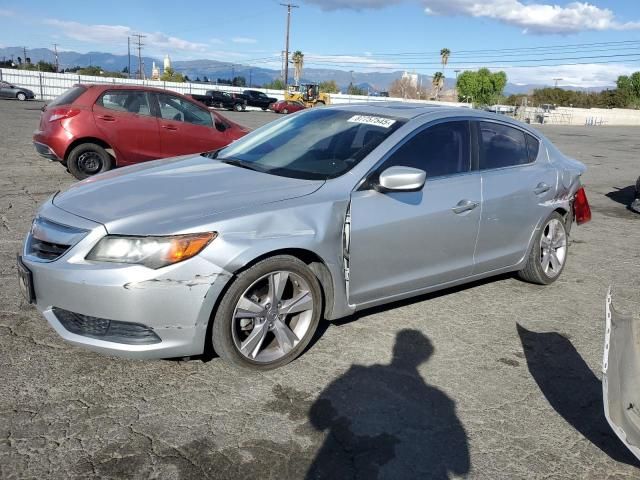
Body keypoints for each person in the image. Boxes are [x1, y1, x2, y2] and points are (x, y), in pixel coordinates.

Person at [306, 329, 470, 479]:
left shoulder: (358, 375)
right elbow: (461, 466)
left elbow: (318, 418)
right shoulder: (438, 400)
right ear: (424, 358)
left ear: (395, 350)